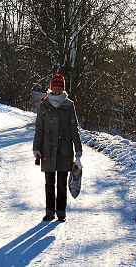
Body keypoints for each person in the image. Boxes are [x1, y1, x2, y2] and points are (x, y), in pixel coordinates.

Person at [33, 74, 83, 222]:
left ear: (63, 89)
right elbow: (39, 128)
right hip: (47, 148)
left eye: (59, 88)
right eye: (54, 88)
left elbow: (74, 128)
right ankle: (50, 212)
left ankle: (61, 212)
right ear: (50, 88)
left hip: (65, 149)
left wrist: (78, 149)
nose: (56, 90)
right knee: (49, 183)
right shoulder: (44, 105)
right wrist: (36, 148)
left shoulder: (69, 105)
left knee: (62, 183)